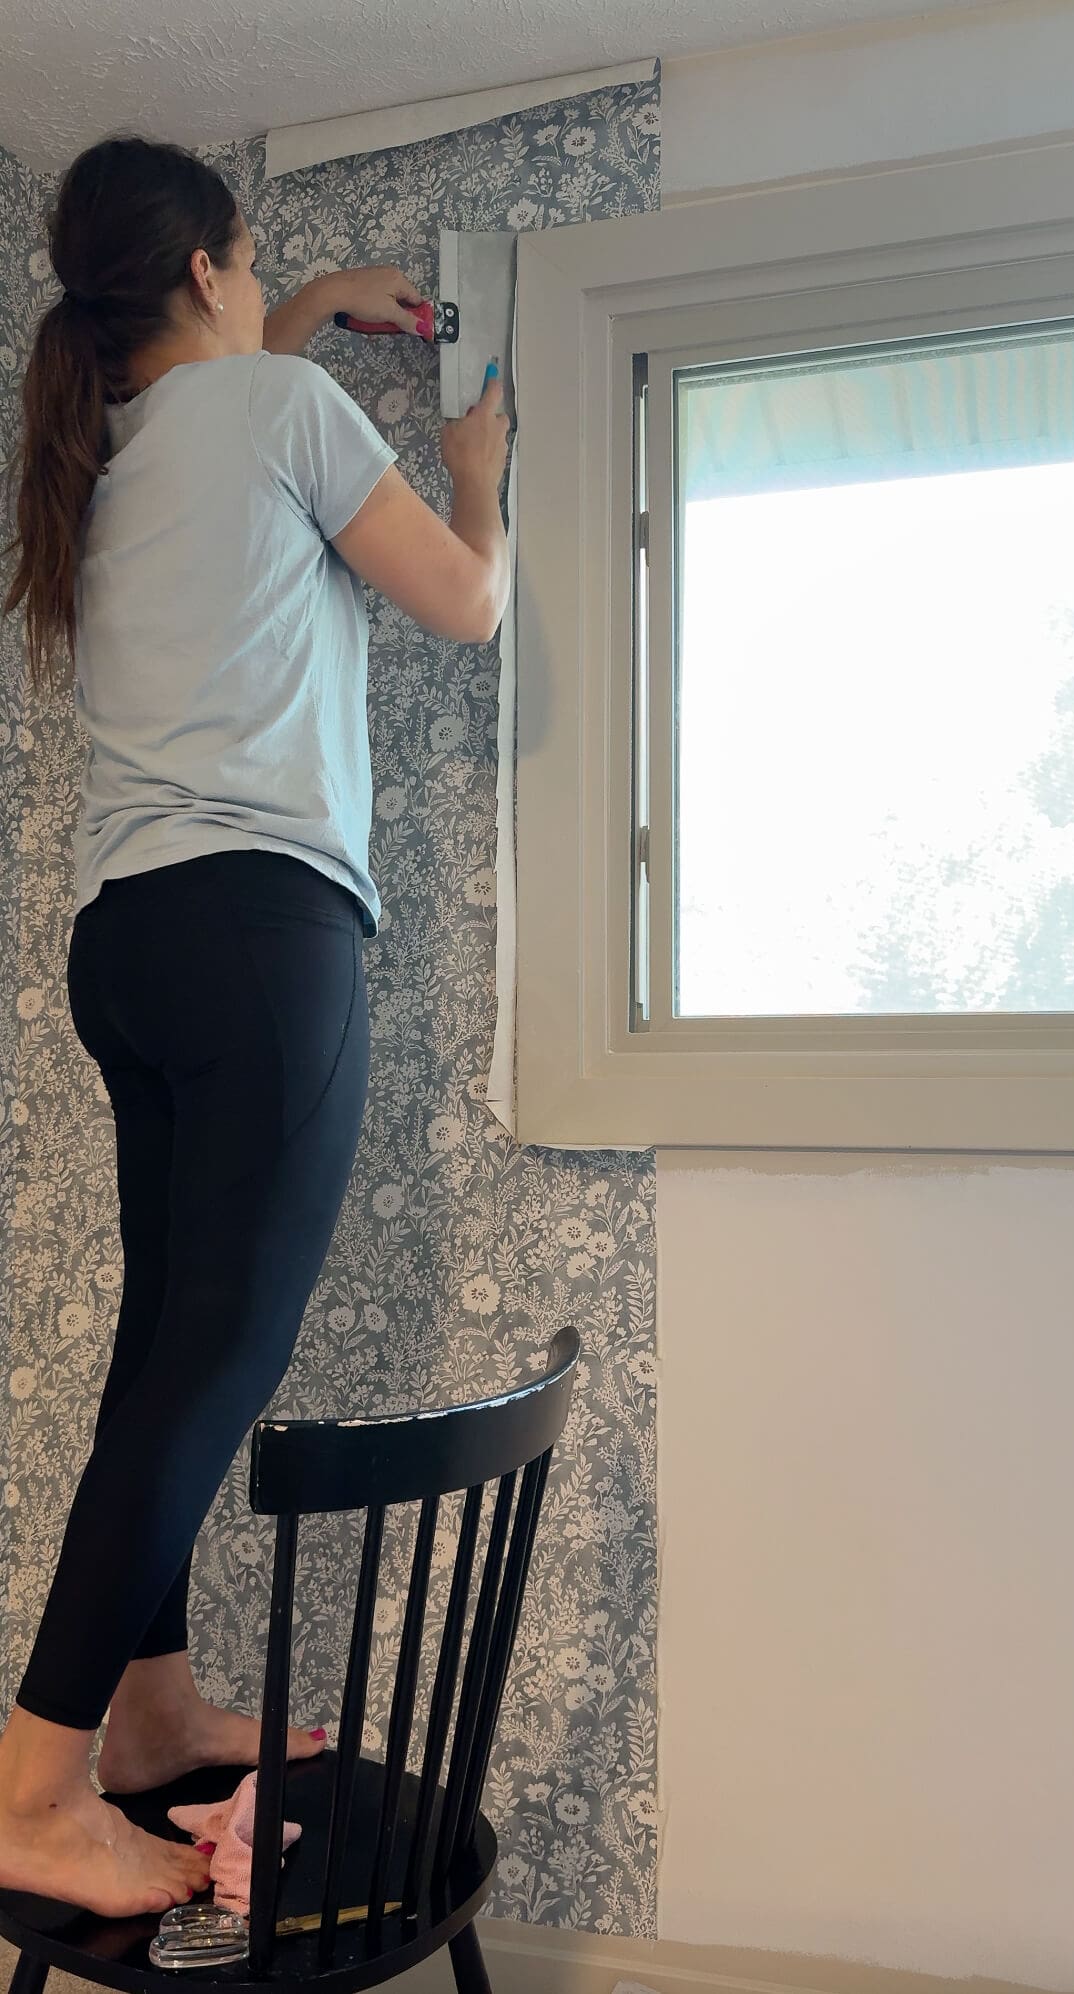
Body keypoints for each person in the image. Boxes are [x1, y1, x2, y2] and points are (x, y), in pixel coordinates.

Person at [0, 134, 510, 1919]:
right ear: (208, 272)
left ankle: (139, 1723)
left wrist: (291, 313)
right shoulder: (278, 409)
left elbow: (236, 408)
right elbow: (466, 596)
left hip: (130, 944)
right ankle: (29, 1786)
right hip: (261, 928)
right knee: (213, 1359)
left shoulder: (119, 443)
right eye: (259, 272)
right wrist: (478, 477)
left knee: (168, 1352)